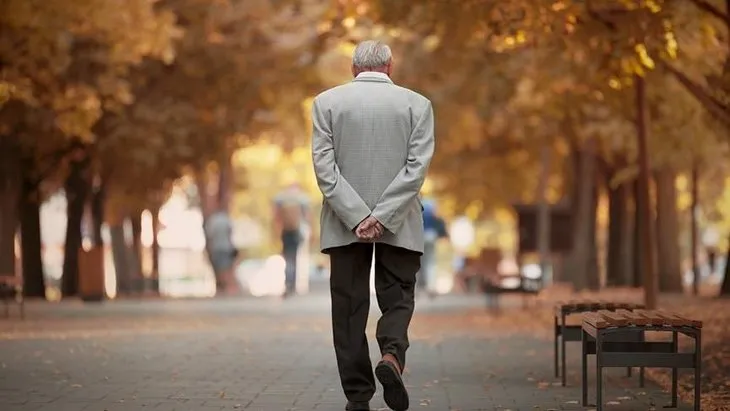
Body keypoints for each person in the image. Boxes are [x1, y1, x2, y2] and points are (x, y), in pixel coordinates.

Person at [311, 40, 435, 411]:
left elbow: (324, 169)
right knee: (397, 295)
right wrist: (382, 216)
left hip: (342, 222)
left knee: (348, 308)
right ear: (390, 67)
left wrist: (358, 217)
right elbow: (417, 169)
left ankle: (358, 396)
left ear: (353, 68)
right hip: (400, 221)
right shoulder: (418, 105)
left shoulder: (327, 103)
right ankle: (392, 356)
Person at [273, 183, 309, 298]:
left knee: (288, 258)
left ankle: (288, 284)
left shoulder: (281, 198)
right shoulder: (301, 198)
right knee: (293, 258)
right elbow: (308, 216)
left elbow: (276, 216)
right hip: (296, 231)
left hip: (285, 231)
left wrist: (275, 232)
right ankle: (291, 285)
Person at [419, 199, 448, 297]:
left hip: (420, 236)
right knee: (430, 263)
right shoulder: (433, 212)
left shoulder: (421, 209)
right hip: (431, 236)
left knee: (419, 263)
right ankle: (431, 287)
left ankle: (417, 287)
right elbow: (441, 226)